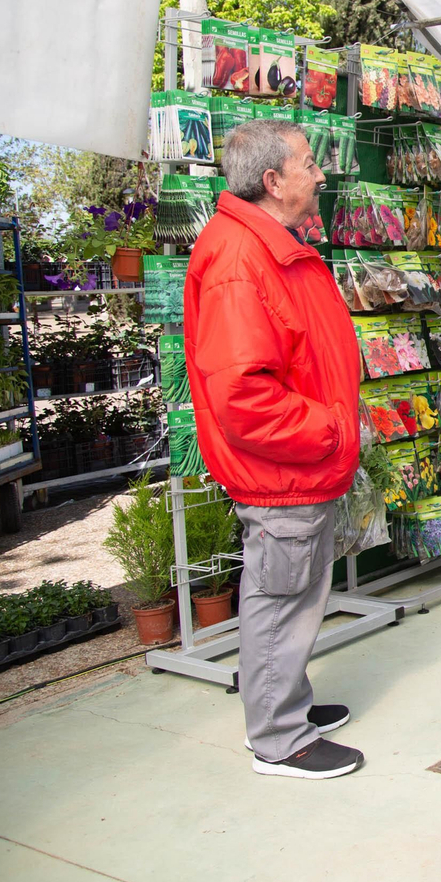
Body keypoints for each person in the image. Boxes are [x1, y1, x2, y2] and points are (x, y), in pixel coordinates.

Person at [186, 119, 364, 780]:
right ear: (273, 180)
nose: (320, 174)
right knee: (280, 599)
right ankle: (278, 739)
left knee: (295, 595)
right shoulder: (240, 258)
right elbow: (242, 397)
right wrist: (333, 428)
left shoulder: (265, 244)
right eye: (310, 163)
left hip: (301, 462)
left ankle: (285, 704)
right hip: (284, 465)